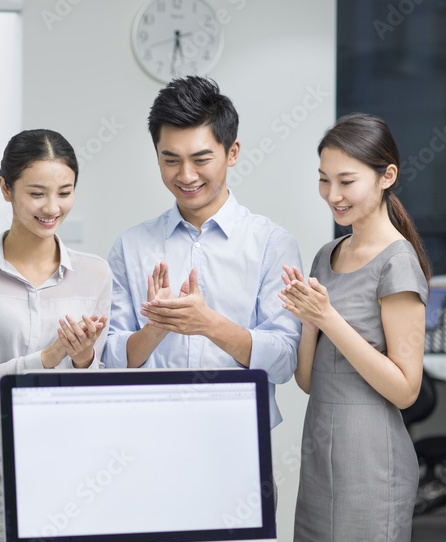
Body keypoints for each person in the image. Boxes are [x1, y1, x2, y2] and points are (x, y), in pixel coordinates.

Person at [0, 129, 112, 542]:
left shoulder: (94, 274)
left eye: (64, 192)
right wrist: (45, 359)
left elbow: (96, 386)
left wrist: (82, 359)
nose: (52, 208)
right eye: (36, 193)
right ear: (6, 188)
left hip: (73, 458)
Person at [104, 76, 302, 429]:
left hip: (238, 437)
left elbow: (285, 361)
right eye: (171, 160)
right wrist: (154, 329)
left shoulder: (272, 244)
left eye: (201, 159)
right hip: (146, 436)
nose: (186, 175)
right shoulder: (130, 246)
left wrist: (210, 325)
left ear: (233, 153)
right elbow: (109, 359)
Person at [282, 113, 429, 542]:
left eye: (347, 181)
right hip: (321, 454)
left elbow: (406, 390)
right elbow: (309, 381)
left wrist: (328, 317)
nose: (332, 195)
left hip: (372, 466)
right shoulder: (327, 256)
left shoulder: (398, 263)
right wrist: (308, 318)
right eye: (324, 181)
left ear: (387, 177)